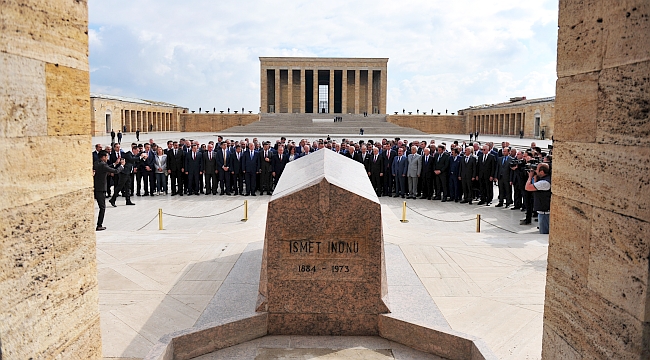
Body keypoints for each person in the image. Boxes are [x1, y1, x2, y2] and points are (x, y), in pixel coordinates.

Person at [94, 150, 124, 230]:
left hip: (96, 187)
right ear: (103, 157)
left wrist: (115, 164)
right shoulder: (103, 165)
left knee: (101, 207)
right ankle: (99, 225)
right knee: (102, 207)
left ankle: (99, 224)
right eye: (107, 156)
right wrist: (121, 166)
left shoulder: (97, 163)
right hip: (100, 188)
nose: (107, 158)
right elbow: (115, 171)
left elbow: (106, 168)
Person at [110, 143, 145, 207]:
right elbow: (132, 159)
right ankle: (113, 199)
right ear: (133, 150)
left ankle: (128, 200)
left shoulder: (133, 155)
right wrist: (140, 157)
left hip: (129, 173)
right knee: (120, 186)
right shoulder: (128, 154)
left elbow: (135, 160)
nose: (137, 152)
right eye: (137, 151)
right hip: (124, 173)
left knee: (128, 187)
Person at [525, 163, 551, 234]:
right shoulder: (544, 179)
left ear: (542, 172)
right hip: (543, 211)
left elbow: (528, 187)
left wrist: (530, 177)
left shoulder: (544, 182)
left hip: (544, 212)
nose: (535, 171)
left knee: (544, 233)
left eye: (536, 169)